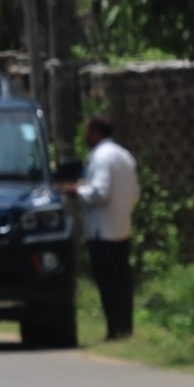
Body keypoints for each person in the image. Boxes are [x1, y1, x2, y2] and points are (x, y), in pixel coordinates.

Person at [62, 115, 140, 340]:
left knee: (107, 282)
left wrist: (77, 191)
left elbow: (100, 193)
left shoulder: (101, 157)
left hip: (101, 230)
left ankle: (114, 329)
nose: (85, 136)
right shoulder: (124, 155)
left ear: (97, 132)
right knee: (122, 281)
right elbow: (133, 192)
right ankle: (126, 327)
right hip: (121, 226)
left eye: (88, 131)